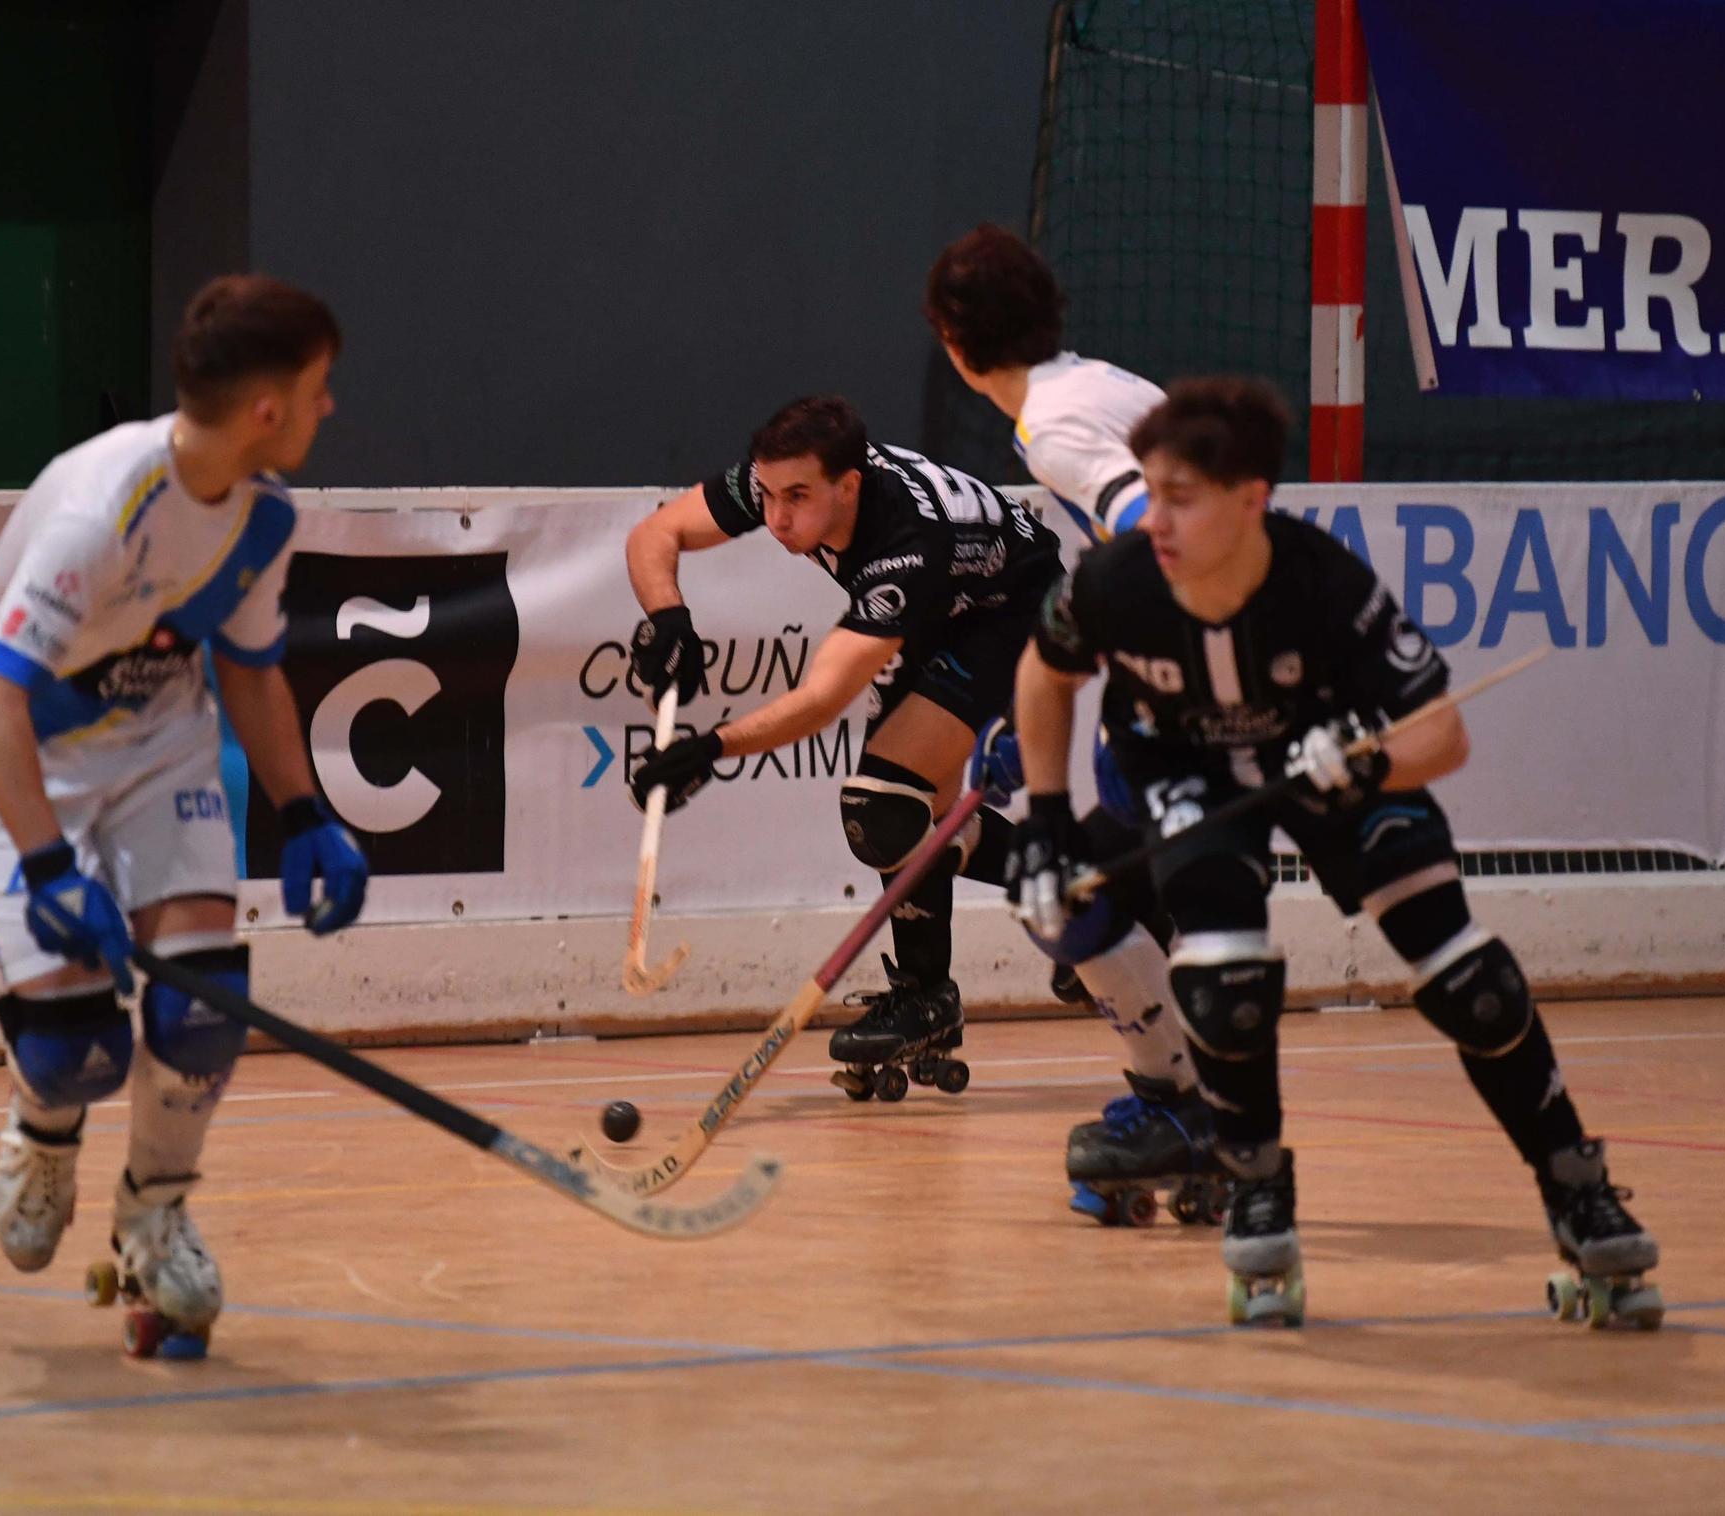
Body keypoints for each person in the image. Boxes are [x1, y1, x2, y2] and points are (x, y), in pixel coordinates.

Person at [1006, 375, 1662, 1326]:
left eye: (1183, 496)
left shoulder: (1325, 584)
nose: (1158, 517)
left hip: (1329, 767)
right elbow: (1043, 672)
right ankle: (1257, 1179)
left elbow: (1442, 736)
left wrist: (1361, 770)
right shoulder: (1116, 580)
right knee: (1222, 983)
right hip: (1189, 768)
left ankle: (1576, 1184)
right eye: (1152, 488)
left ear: (1251, 500)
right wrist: (1046, 820)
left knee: (1467, 976)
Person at [0, 274, 369, 1355]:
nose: (330, 409)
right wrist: (46, 867)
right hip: (26, 742)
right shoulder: (104, 511)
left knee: (201, 1003)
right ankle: (45, 1133)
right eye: (320, 390)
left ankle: (153, 1210)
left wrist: (304, 810)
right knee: (76, 1048)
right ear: (267, 408)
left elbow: (253, 670)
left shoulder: (262, 516)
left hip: (159, 740)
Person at [624, 394, 1060, 1098]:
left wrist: (712, 749)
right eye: (766, 495)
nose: (777, 518)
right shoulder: (788, 479)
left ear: (849, 485)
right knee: (901, 812)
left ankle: (944, 979)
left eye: (798, 498)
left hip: (1008, 610)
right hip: (940, 609)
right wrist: (668, 615)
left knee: (884, 803)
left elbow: (825, 696)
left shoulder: (906, 541)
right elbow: (655, 535)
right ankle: (1013, 926)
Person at [925, 222, 1218, 1223]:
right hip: (1196, 676)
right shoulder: (1099, 382)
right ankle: (1189, 1107)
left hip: (1187, 697)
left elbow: (1152, 535)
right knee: (1124, 907)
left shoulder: (1054, 425)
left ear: (953, 345)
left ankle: (1176, 1110)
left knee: (1064, 895)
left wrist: (1060, 647)